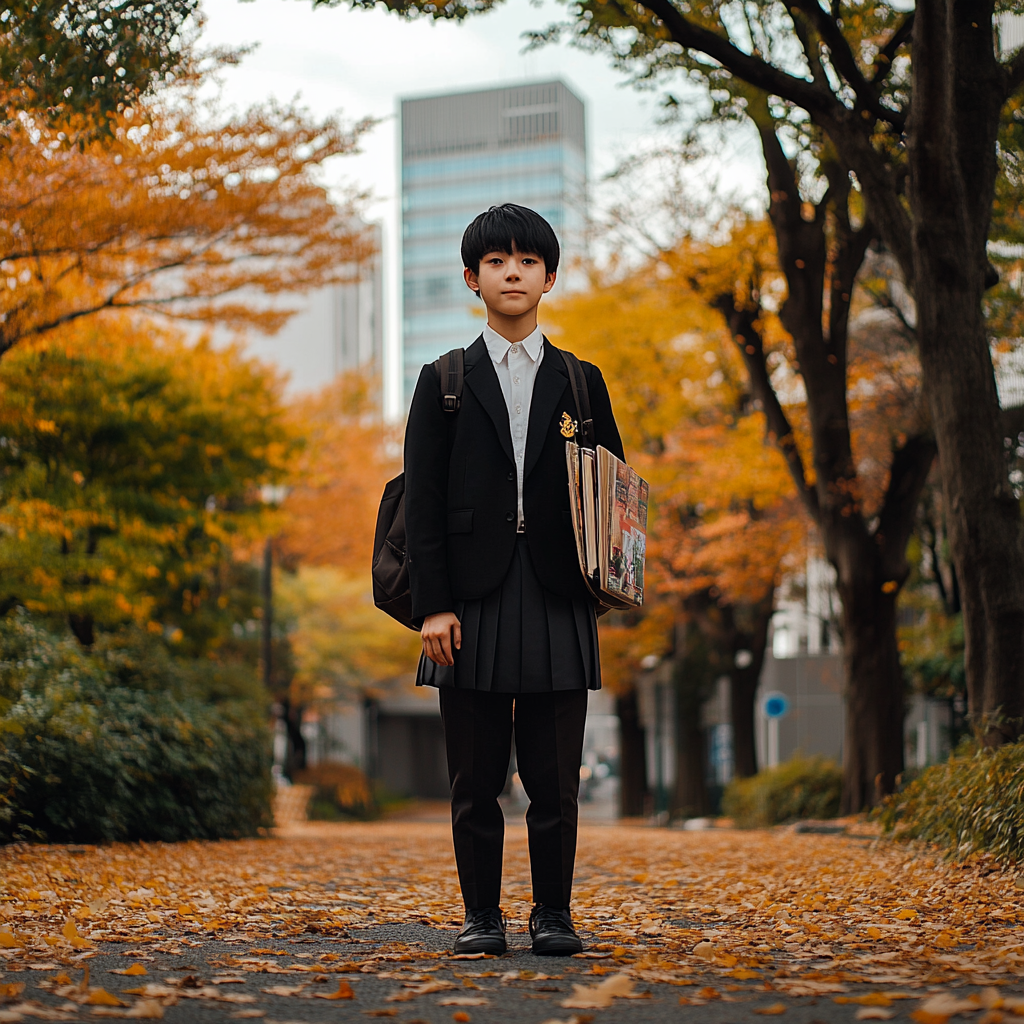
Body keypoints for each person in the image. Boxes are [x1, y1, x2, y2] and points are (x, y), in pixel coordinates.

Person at [403, 203, 624, 957]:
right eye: (495, 262)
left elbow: (617, 494)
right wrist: (430, 606)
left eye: (527, 261)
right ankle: (482, 917)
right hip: (466, 601)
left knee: (555, 778)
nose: (512, 273)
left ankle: (554, 916)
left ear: (550, 277)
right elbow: (421, 503)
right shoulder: (443, 381)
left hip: (560, 596)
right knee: (475, 779)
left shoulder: (584, 384)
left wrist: (608, 585)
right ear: (473, 278)